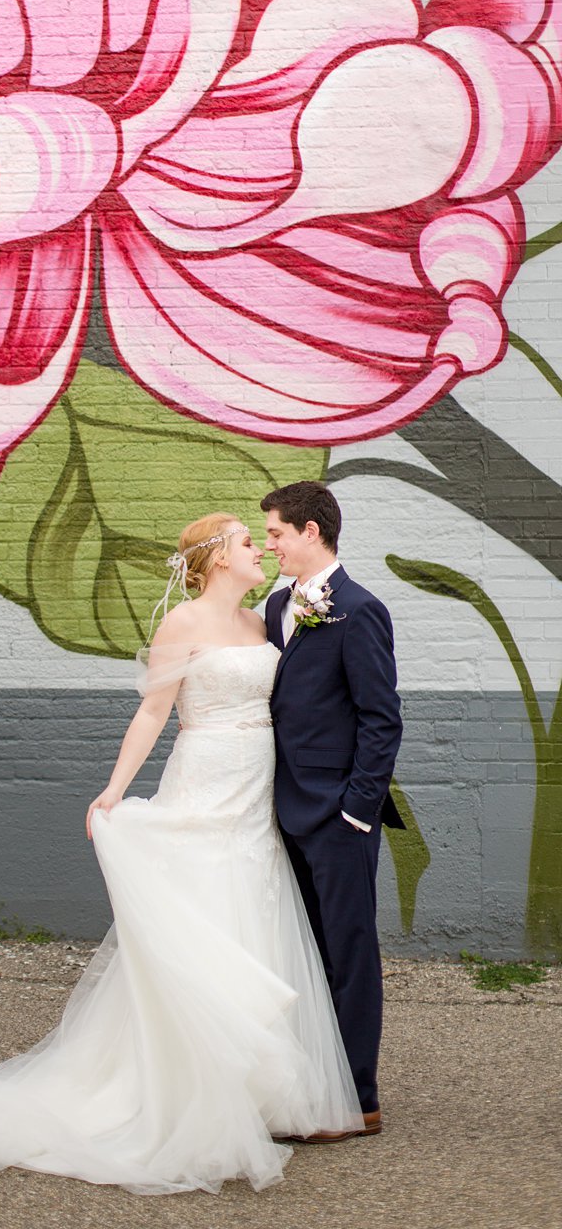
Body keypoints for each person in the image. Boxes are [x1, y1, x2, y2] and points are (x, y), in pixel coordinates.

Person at [0, 513, 363, 1196]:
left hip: (257, 790)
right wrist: (113, 790)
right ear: (218, 558)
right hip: (206, 775)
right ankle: (188, 1097)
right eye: (249, 542)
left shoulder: (269, 619)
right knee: (206, 915)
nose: (260, 550)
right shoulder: (181, 626)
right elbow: (154, 713)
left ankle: (254, 1092)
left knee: (257, 909)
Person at [261, 481, 405, 1138]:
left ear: (311, 531)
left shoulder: (360, 609)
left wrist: (358, 809)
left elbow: (381, 719)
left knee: (348, 953)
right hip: (283, 811)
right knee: (303, 952)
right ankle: (308, 1086)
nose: (270, 546)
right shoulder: (275, 608)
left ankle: (357, 1099)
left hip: (339, 817)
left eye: (276, 534)